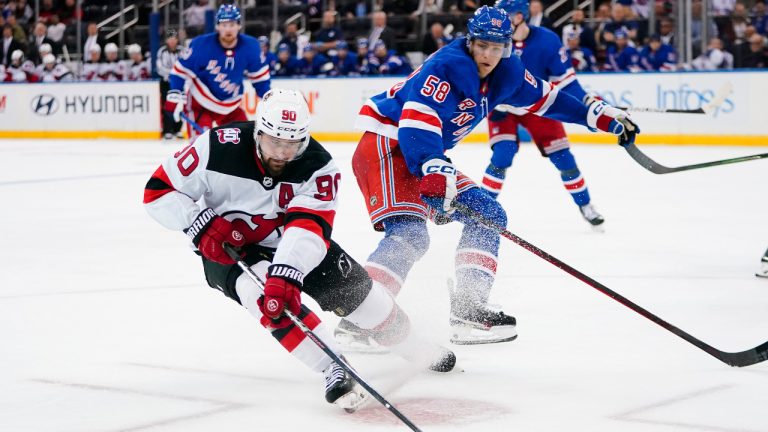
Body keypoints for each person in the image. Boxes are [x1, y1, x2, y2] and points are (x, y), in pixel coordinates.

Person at [337, 6, 638, 347]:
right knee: (410, 233)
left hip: (425, 155)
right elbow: (416, 121)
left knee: (489, 215)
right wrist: (433, 165)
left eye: (497, 47)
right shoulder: (444, 68)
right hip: (388, 146)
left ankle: (469, 308)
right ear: (470, 41)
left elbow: (548, 99)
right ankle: (362, 321)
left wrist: (598, 116)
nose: (489, 55)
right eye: (482, 45)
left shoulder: (509, 72)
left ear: (507, 47)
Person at [143, 89, 456, 408]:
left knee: (364, 300)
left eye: (291, 144)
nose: (281, 152)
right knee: (266, 300)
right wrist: (199, 223)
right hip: (228, 248)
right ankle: (333, 366)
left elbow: (307, 228)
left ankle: (415, 346)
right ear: (258, 133)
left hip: (291, 240)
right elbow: (158, 191)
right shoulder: (215, 146)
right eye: (274, 142)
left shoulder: (319, 167)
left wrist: (287, 273)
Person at [483, 0, 607, 228]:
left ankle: (586, 205)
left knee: (564, 158)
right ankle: (480, 211)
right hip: (504, 107)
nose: (498, 21)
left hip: (538, 105)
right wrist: (493, 100)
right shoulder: (493, 38)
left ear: (520, 16)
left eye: (505, 15)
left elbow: (567, 83)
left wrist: (587, 101)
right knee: (503, 154)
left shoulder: (548, 40)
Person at [166, 4, 270, 142]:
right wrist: (176, 92)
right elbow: (179, 71)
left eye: (232, 24)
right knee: (201, 147)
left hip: (230, 106)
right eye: (224, 24)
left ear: (239, 26)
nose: (228, 29)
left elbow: (260, 79)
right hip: (200, 104)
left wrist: (268, 99)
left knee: (246, 143)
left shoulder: (251, 47)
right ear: (217, 26)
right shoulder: (201, 45)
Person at [157, 29, 184, 139]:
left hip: (180, 82)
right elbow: (160, 68)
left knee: (180, 104)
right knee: (167, 106)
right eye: (170, 39)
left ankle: (177, 129)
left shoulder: (182, 50)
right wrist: (173, 74)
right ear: (167, 40)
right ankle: (167, 130)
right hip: (166, 82)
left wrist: (178, 75)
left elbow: (185, 65)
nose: (172, 41)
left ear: (177, 40)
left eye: (174, 38)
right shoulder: (162, 51)